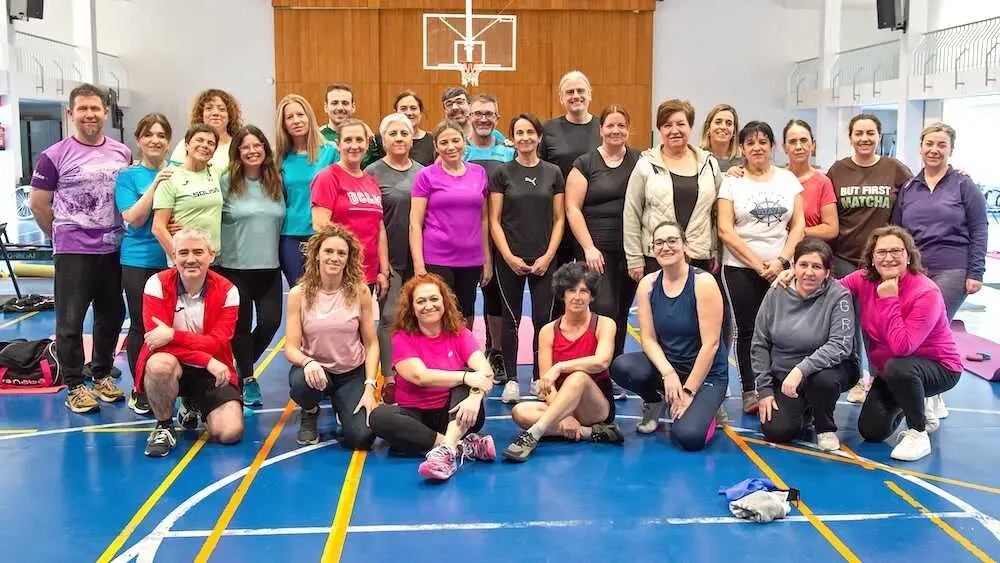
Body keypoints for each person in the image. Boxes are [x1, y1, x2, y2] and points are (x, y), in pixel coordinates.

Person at [778, 226, 963, 461]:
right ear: (872, 258)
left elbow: (902, 347)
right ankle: (911, 399)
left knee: (899, 366)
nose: (888, 257)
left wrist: (889, 299)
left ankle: (918, 431)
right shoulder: (864, 279)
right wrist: (795, 275)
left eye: (896, 251)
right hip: (892, 372)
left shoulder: (925, 292)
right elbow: (830, 290)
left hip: (937, 367)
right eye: (881, 252)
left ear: (908, 255)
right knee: (872, 431)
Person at [29, 83, 131, 413]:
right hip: (73, 250)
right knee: (70, 322)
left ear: (105, 113)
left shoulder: (122, 152)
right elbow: (38, 204)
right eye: (82, 109)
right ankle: (74, 384)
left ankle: (101, 373)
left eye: (95, 108)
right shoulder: (54, 156)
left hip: (113, 248)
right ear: (71, 114)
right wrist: (62, 237)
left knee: (112, 315)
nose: (89, 114)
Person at [610, 221, 728, 451]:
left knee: (688, 438)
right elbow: (649, 340)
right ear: (653, 249)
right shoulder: (648, 284)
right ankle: (655, 400)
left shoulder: (703, 283)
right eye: (659, 243)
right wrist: (668, 373)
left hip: (706, 375)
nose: (666, 247)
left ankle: (710, 409)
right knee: (622, 367)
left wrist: (688, 391)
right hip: (670, 369)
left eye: (672, 241)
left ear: (685, 245)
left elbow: (711, 345)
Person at [368, 274, 497, 481]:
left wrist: (474, 397)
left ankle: (446, 450)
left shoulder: (459, 334)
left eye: (434, 299)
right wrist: (465, 377)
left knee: (465, 385)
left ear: (444, 302)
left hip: (455, 414)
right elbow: (420, 376)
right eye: (421, 301)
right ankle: (457, 446)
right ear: (412, 308)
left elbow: (485, 371)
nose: (429, 306)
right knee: (379, 417)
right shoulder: (401, 338)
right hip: (416, 418)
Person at [717, 120, 805, 414]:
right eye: (750, 143)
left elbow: (798, 226)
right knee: (748, 329)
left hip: (783, 267)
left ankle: (783, 385)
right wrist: (758, 265)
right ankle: (750, 389)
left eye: (763, 142)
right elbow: (725, 230)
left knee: (784, 329)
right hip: (740, 269)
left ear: (772, 146)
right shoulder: (731, 181)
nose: (757, 148)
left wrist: (781, 261)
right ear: (742, 148)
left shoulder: (788, 180)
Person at [135, 227, 244, 457]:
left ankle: (193, 405)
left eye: (198, 252)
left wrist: (173, 335)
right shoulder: (155, 284)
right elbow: (157, 343)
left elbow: (217, 342)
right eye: (183, 253)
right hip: (183, 364)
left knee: (230, 433)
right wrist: (206, 360)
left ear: (211, 255)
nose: (191, 259)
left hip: (212, 370)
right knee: (159, 364)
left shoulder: (228, 291)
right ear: (173, 256)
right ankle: (164, 426)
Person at [827, 113, 912, 404]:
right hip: (845, 256)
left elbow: (922, 188)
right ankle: (855, 376)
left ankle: (877, 378)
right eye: (858, 133)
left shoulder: (895, 169)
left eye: (870, 133)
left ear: (879, 136)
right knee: (847, 320)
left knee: (875, 323)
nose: (864, 138)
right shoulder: (837, 170)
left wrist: (956, 171)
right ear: (850, 137)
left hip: (882, 261)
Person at [502, 262, 625, 462]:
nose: (577, 297)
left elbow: (602, 362)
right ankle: (590, 433)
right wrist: (564, 415)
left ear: (592, 296)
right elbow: (545, 383)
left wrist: (560, 367)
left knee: (578, 377)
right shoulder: (548, 331)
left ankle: (533, 434)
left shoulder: (604, 324)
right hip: (562, 405)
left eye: (584, 291)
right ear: (562, 294)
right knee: (520, 412)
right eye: (571, 290)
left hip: (594, 406)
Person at [753, 238, 858, 451]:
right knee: (776, 431)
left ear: (828, 272)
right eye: (803, 265)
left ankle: (825, 427)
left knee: (823, 380)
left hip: (827, 370)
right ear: (793, 267)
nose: (809, 272)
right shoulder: (776, 293)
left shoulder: (839, 295)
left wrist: (801, 370)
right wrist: (764, 389)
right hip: (785, 375)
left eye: (817, 267)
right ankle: (806, 407)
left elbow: (840, 345)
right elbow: (760, 343)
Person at [489, 113, 565, 403]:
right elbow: (494, 220)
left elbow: (559, 220)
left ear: (539, 136)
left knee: (543, 320)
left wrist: (548, 256)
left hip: (545, 259)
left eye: (530, 132)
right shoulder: (502, 173)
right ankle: (511, 379)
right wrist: (507, 256)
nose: (525, 138)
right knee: (511, 320)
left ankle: (536, 376)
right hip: (510, 258)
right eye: (519, 133)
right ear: (512, 138)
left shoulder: (553, 172)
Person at [284, 225, 380, 450]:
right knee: (301, 385)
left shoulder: (360, 291)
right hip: (315, 371)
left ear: (348, 259)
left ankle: (343, 404)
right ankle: (310, 410)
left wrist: (369, 386)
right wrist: (308, 362)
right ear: (316, 254)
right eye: (329, 251)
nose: (334, 258)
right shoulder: (299, 294)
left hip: (350, 372)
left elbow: (372, 343)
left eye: (341, 253)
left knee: (362, 437)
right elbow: (290, 348)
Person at [565, 105, 641, 360]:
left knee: (622, 310)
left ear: (628, 130)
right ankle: (596, 362)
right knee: (604, 307)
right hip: (596, 249)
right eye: (610, 125)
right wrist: (588, 247)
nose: (615, 130)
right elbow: (573, 209)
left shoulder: (641, 160)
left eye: (621, 125)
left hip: (631, 248)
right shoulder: (585, 163)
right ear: (601, 129)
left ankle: (613, 365)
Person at [891, 122, 987, 322]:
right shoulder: (909, 187)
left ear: (951, 149)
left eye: (942, 145)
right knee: (912, 326)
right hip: (914, 270)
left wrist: (976, 273)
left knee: (931, 323)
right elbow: (897, 232)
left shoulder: (964, 184)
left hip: (952, 269)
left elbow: (979, 229)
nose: (934, 150)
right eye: (929, 144)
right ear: (921, 148)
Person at [218, 126, 285, 407]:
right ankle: (247, 378)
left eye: (257, 145)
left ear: (265, 149)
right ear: (237, 152)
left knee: (270, 323)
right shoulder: (226, 181)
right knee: (241, 328)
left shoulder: (275, 181)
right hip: (235, 268)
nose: (252, 150)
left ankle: (237, 366)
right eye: (245, 146)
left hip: (270, 268)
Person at [624, 99, 723, 280]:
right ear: (659, 129)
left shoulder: (709, 164)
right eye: (667, 125)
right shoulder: (645, 164)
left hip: (699, 256)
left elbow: (717, 213)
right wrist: (634, 258)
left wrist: (716, 250)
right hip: (657, 257)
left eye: (680, 124)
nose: (674, 130)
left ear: (690, 126)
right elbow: (631, 213)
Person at [365, 112, 425, 404]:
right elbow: (370, 222)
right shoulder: (372, 174)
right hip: (389, 258)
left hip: (422, 257)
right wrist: (382, 265)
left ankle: (418, 374)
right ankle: (389, 378)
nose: (399, 138)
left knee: (422, 316)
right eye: (393, 134)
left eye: (404, 133)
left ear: (412, 137)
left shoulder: (424, 172)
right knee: (389, 317)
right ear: (382, 139)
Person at [116, 112, 172, 415]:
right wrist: (155, 185)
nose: (155, 140)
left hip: (171, 261)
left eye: (161, 135)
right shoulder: (128, 177)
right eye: (149, 134)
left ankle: (168, 384)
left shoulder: (178, 170)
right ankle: (139, 388)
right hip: (138, 260)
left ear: (168, 142)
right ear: (139, 140)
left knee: (171, 326)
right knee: (141, 325)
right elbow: (134, 218)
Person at [409, 120, 492, 326]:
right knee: (438, 315)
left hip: (471, 259)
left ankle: (463, 358)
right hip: (437, 258)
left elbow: (484, 219)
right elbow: (415, 224)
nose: (451, 146)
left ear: (464, 142)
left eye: (456, 140)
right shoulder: (426, 176)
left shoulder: (479, 173)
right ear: (436, 147)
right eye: (444, 142)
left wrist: (487, 259)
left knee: (466, 314)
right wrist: (419, 265)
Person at [464, 93, 515, 384]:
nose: (483, 118)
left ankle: (495, 351)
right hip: (463, 237)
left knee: (495, 297)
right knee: (465, 300)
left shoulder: (508, 152)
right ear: (470, 116)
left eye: (489, 114)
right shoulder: (460, 150)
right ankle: (466, 353)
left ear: (497, 117)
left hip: (499, 236)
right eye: (478, 113)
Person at [311, 117, 390, 295]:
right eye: (348, 140)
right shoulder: (328, 177)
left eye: (359, 140)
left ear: (367, 144)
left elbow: (379, 228)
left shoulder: (371, 182)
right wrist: (350, 254)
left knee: (363, 323)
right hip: (339, 271)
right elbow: (321, 226)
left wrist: (383, 270)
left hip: (368, 272)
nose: (354, 145)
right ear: (338, 145)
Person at [275, 93, 338, 286]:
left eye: (300, 115)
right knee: (299, 293)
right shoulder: (280, 157)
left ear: (309, 117)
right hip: (291, 235)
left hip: (323, 233)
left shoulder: (330, 151)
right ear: (283, 124)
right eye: (290, 117)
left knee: (325, 292)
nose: (296, 121)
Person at [152, 125, 224, 257]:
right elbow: (158, 228)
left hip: (213, 258)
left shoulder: (215, 172)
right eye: (199, 140)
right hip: (187, 262)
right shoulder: (169, 176)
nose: (205, 145)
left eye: (210, 143)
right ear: (186, 145)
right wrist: (179, 258)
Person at [783, 120, 838, 241]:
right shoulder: (775, 179)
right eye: (792, 142)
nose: (798, 147)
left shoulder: (823, 182)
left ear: (813, 144)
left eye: (803, 140)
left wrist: (799, 232)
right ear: (784, 147)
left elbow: (831, 229)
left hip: (809, 253)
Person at [169, 89, 242, 168]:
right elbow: (172, 174)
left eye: (222, 109)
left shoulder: (238, 146)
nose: (215, 113)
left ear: (230, 116)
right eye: (209, 108)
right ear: (201, 115)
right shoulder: (186, 144)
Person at [319, 83, 380, 167]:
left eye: (345, 103)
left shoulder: (367, 136)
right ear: (326, 107)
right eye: (334, 103)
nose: (340, 108)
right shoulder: (317, 137)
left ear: (353, 107)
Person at [393, 90, 435, 165]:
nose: (409, 113)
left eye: (413, 108)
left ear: (421, 112)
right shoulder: (383, 139)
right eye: (403, 108)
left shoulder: (433, 141)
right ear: (395, 112)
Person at [699, 103, 743, 172]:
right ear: (708, 128)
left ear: (734, 131)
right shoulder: (697, 157)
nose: (723, 127)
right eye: (718, 122)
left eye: (729, 123)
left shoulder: (743, 161)